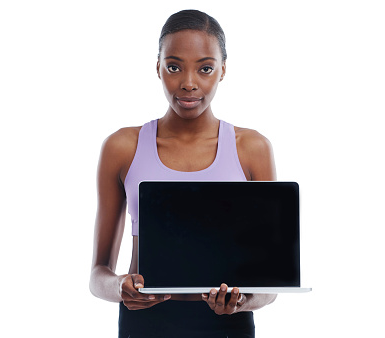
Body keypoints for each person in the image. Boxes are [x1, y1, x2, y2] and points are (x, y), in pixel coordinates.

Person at [89, 9, 277, 338]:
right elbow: (97, 276)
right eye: (174, 66)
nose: (188, 83)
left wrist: (243, 300)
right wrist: (120, 287)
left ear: (222, 71)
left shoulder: (252, 148)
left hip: (228, 325)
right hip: (144, 323)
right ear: (157, 67)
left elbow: (272, 284)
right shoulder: (122, 147)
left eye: (205, 68)